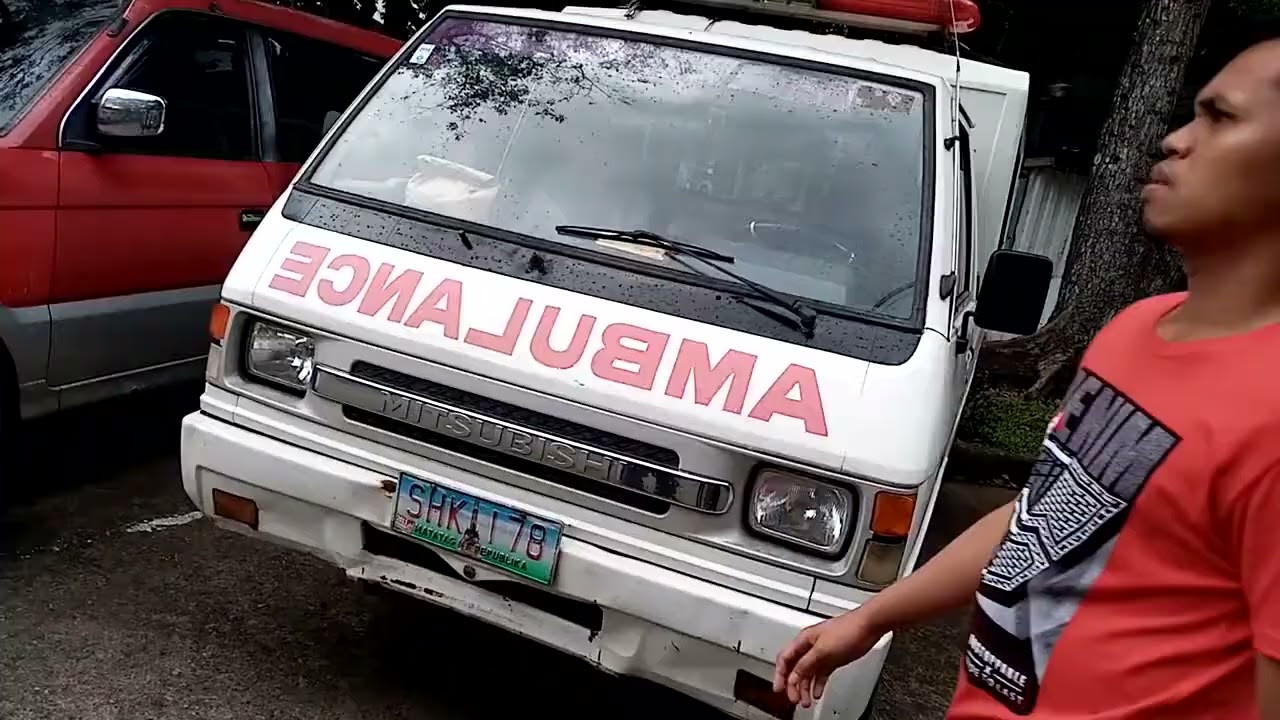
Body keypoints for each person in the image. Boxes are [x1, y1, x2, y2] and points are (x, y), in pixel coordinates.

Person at [774, 37, 1280, 719]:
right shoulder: (1134, 331)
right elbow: (1041, 516)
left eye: (1220, 118)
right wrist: (871, 618)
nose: (1176, 140)